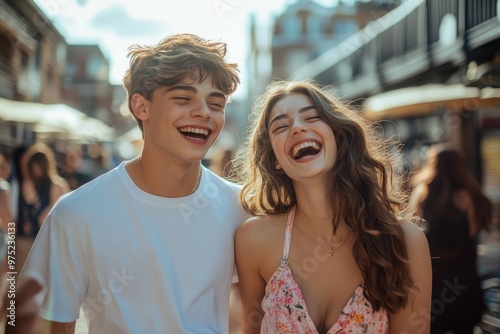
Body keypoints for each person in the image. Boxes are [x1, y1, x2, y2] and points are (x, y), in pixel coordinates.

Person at [19, 33, 246, 333]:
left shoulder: (241, 209)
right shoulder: (77, 213)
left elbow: (248, 314)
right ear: (141, 107)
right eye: (183, 98)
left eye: (216, 103)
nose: (204, 112)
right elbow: (32, 322)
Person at [232, 80, 432, 333]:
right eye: (281, 126)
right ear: (275, 159)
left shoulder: (405, 242)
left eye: (312, 117)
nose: (297, 128)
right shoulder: (254, 239)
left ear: (338, 136)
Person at [410, 144, 493, 334]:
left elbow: (415, 233)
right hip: (465, 279)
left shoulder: (422, 194)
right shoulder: (468, 197)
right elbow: (472, 233)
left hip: (434, 281)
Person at [16, 143, 69, 273]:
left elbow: (56, 215)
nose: (36, 170)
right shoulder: (28, 183)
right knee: (21, 283)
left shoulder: (57, 185)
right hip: (27, 241)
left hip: (46, 244)